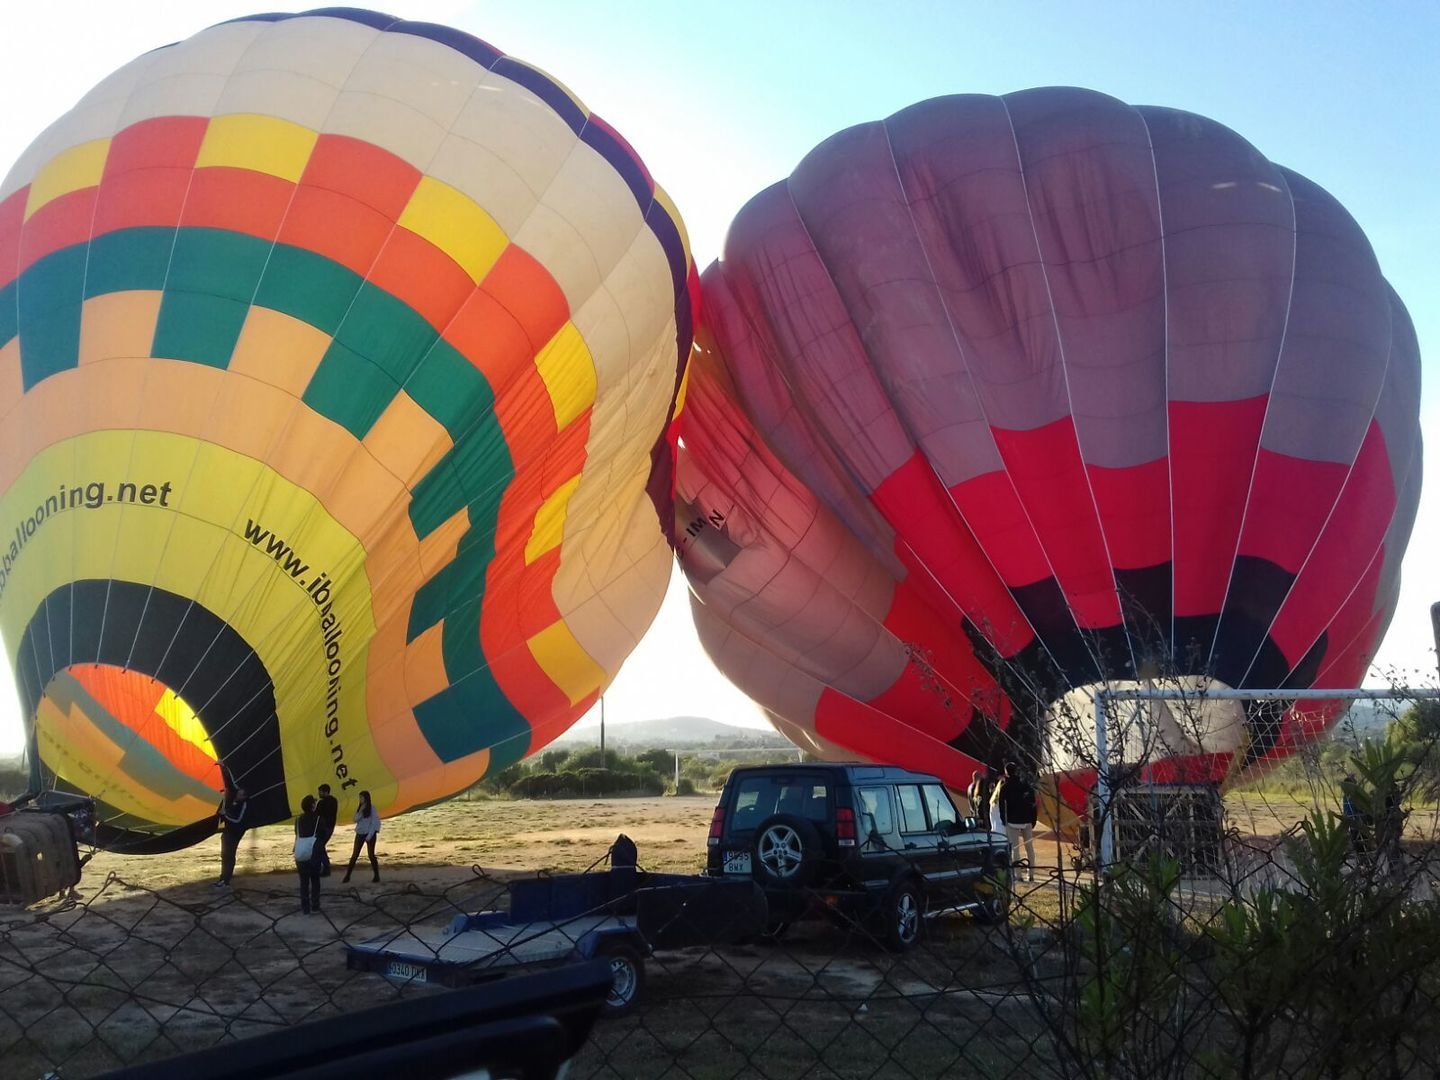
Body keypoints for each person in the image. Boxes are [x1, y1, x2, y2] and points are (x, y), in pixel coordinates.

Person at [999, 761, 1038, 882]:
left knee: (1015, 848)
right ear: (1016, 771)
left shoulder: (1005, 787)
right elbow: (1033, 803)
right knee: (1029, 847)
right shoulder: (1025, 785)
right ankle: (1031, 874)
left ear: (1006, 773)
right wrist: (1033, 819)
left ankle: (1018, 875)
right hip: (1026, 819)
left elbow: (1002, 805)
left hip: (1012, 820)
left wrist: (1003, 820)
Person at [342, 790, 381, 884]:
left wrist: (370, 835)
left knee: (371, 855)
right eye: (360, 798)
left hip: (369, 834)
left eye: (361, 798)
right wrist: (360, 812)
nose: (360, 799)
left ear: (366, 798)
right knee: (355, 855)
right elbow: (354, 819)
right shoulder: (360, 809)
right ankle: (347, 876)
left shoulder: (372, 808)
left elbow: (375, 823)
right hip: (360, 833)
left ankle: (376, 875)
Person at [294, 794, 322, 914]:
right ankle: (315, 905)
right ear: (312, 805)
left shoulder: (298, 820)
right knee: (315, 880)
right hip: (313, 852)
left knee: (303, 882)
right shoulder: (318, 819)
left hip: (300, 852)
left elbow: (297, 833)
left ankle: (305, 907)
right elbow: (322, 834)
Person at [215, 786, 248, 888]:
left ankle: (226, 881)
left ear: (244, 796)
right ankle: (222, 878)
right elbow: (221, 814)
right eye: (237, 793)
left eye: (240, 794)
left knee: (229, 856)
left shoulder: (244, 805)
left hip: (234, 833)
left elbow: (238, 820)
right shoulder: (231, 803)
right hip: (227, 832)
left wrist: (225, 815)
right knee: (224, 856)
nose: (238, 796)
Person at [315, 784, 339, 877]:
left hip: (323, 828)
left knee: (319, 847)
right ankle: (324, 867)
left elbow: (316, 815)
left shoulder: (322, 803)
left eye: (320, 792)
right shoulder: (334, 801)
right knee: (320, 847)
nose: (319, 793)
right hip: (330, 827)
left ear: (325, 792)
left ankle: (325, 868)